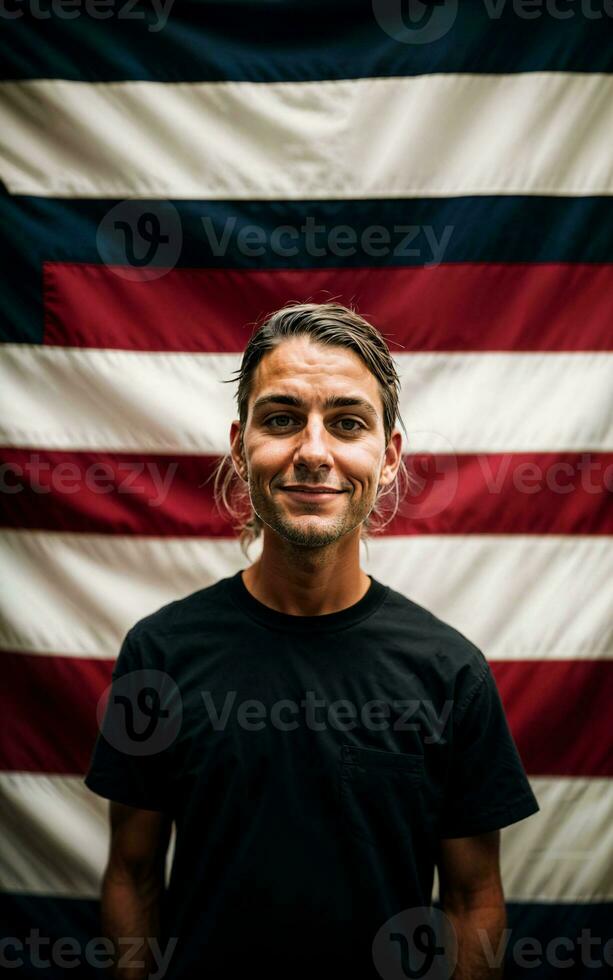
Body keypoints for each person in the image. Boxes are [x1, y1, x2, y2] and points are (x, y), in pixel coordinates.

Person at [84, 301, 540, 979]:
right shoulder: (160, 654)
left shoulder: (450, 672)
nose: (313, 452)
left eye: (347, 423)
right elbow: (132, 873)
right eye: (281, 419)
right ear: (240, 448)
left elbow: (473, 899)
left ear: (386, 458)